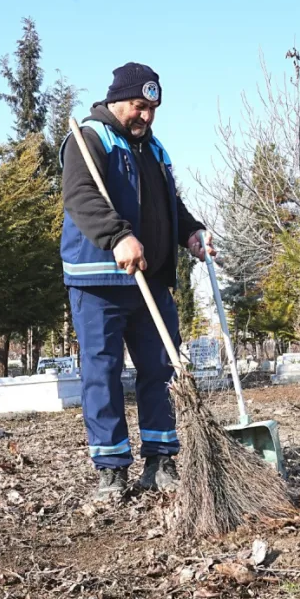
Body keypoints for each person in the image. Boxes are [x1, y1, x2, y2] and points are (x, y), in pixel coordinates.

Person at [59, 62, 215, 500]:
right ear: (116, 101)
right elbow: (81, 197)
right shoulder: (90, 139)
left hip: (152, 281)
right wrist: (118, 236)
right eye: (138, 106)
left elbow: (171, 204)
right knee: (102, 372)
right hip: (100, 281)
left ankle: (161, 460)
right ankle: (111, 468)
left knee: (160, 370)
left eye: (152, 108)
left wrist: (191, 232)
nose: (145, 116)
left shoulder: (155, 149)